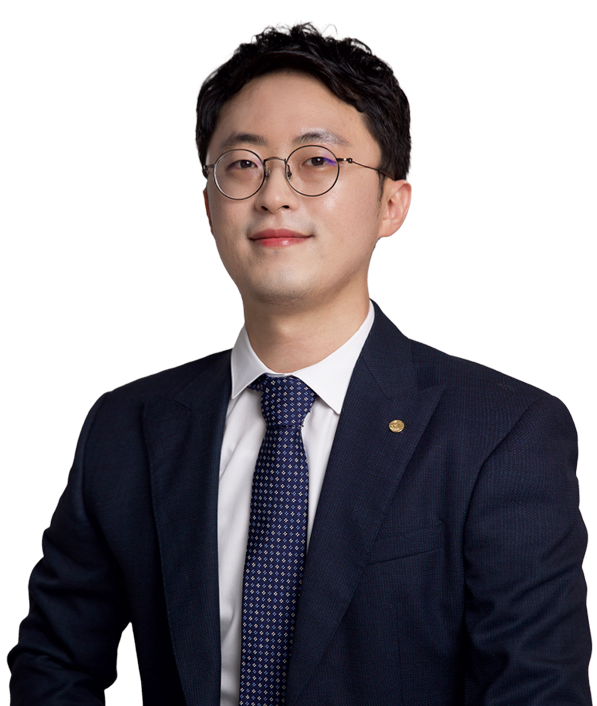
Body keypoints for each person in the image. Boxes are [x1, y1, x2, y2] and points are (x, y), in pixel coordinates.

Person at [8, 22, 591, 706]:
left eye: (316, 160)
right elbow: (52, 666)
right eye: (242, 164)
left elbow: (534, 691)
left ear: (391, 204)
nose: (274, 193)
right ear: (208, 206)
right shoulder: (127, 427)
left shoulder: (502, 432)